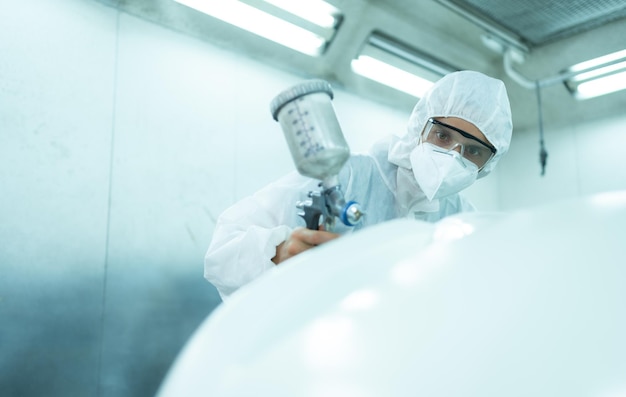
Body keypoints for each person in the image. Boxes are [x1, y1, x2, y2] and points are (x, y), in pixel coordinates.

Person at [205, 70, 513, 300]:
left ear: (488, 164)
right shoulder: (345, 174)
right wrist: (277, 252)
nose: (450, 157)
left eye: (472, 151)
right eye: (442, 136)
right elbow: (222, 250)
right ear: (420, 126)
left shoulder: (463, 221)